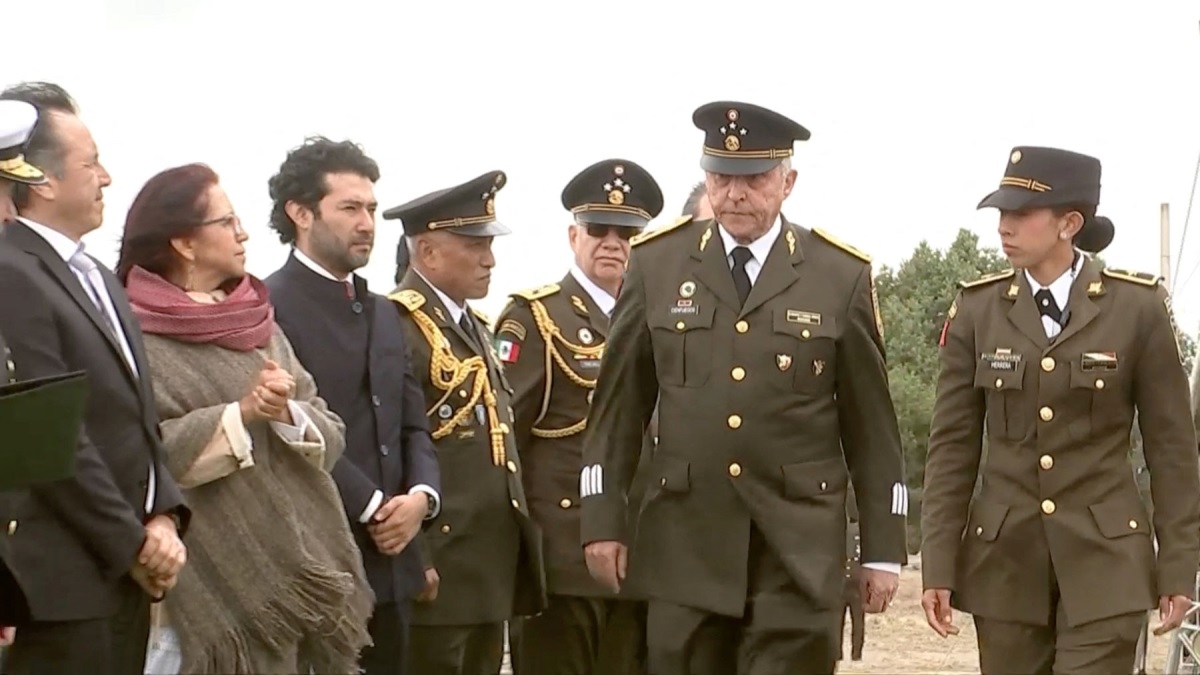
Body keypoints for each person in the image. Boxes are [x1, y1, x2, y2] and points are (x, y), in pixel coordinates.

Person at [578, 100, 908, 675]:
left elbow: (872, 429)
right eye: (721, 177)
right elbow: (616, 412)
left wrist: (882, 549)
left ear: (788, 182)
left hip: (798, 552)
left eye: (753, 179)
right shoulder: (657, 265)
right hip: (687, 546)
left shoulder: (838, 275)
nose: (735, 194)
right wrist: (603, 520)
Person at [921, 146, 1200, 673]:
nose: (1003, 227)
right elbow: (952, 449)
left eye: (1021, 213)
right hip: (1005, 566)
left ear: (1070, 223)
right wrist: (938, 564)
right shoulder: (977, 310)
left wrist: (1178, 566)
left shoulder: (1136, 308)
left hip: (1106, 565)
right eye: (1001, 213)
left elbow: (1173, 452)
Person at [117, 163, 373, 674]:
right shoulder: (135, 334)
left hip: (299, 566)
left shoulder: (256, 318)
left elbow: (325, 423)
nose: (244, 233)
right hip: (199, 586)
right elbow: (145, 454)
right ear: (185, 243)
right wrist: (243, 414)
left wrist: (286, 411)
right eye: (227, 222)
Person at [0, 81, 190, 675]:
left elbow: (137, 418)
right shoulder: (12, 271)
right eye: (91, 163)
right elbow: (51, 435)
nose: (106, 178)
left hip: (122, 576)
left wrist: (164, 513)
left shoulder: (98, 277)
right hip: (62, 584)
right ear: (43, 181)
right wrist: (132, 545)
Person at [264, 137, 441, 675]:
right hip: (320, 562)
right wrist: (372, 506)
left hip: (395, 563)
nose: (367, 224)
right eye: (349, 208)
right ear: (301, 214)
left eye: (370, 209)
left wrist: (421, 498)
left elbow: (412, 423)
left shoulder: (382, 311)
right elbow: (287, 428)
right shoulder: (267, 306)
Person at [495, 158, 664, 675]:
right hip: (564, 561)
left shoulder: (662, 321)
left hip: (644, 560)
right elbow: (505, 443)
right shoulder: (535, 318)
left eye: (627, 233)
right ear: (574, 236)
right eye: (598, 229)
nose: (612, 242)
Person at [383, 170, 547, 675]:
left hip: (484, 568)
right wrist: (416, 556)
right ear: (428, 252)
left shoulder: (474, 326)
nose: (489, 259)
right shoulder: (397, 325)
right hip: (439, 564)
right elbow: (390, 447)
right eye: (475, 246)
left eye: (489, 245)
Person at [839, 494, 865, 662]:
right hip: (853, 582)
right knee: (856, 622)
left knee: (845, 622)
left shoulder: (843, 531)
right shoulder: (860, 532)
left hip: (847, 582)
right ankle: (855, 654)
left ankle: (845, 653)